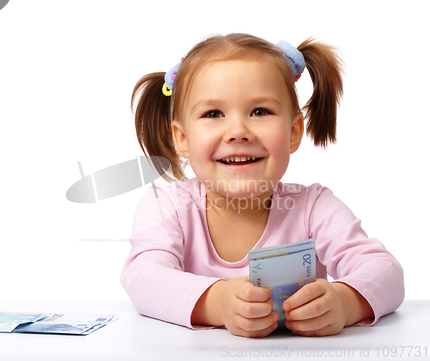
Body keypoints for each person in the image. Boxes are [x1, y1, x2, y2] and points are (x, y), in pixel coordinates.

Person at [120, 33, 404, 338]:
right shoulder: (167, 205)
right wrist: (217, 302)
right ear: (183, 139)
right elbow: (143, 277)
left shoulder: (314, 207)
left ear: (294, 131)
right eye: (213, 114)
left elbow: (386, 272)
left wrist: (347, 302)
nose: (238, 131)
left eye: (260, 111)